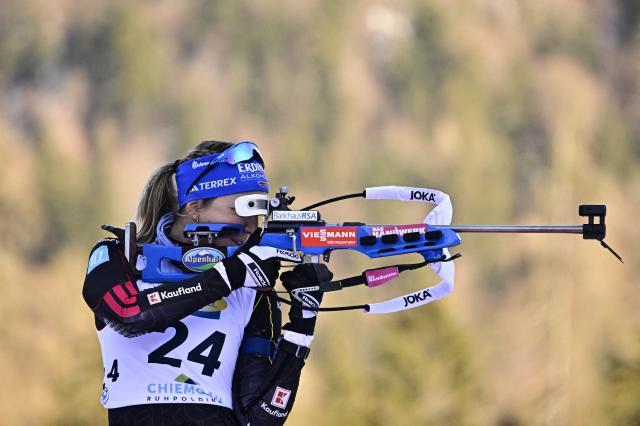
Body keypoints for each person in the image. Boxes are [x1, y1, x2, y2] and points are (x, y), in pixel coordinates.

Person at [82, 140, 332, 426]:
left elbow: (259, 419)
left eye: (260, 212)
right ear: (194, 206)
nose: (252, 226)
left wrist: (302, 324)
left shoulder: (251, 286)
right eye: (243, 208)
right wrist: (230, 274)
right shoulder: (119, 255)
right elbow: (128, 314)